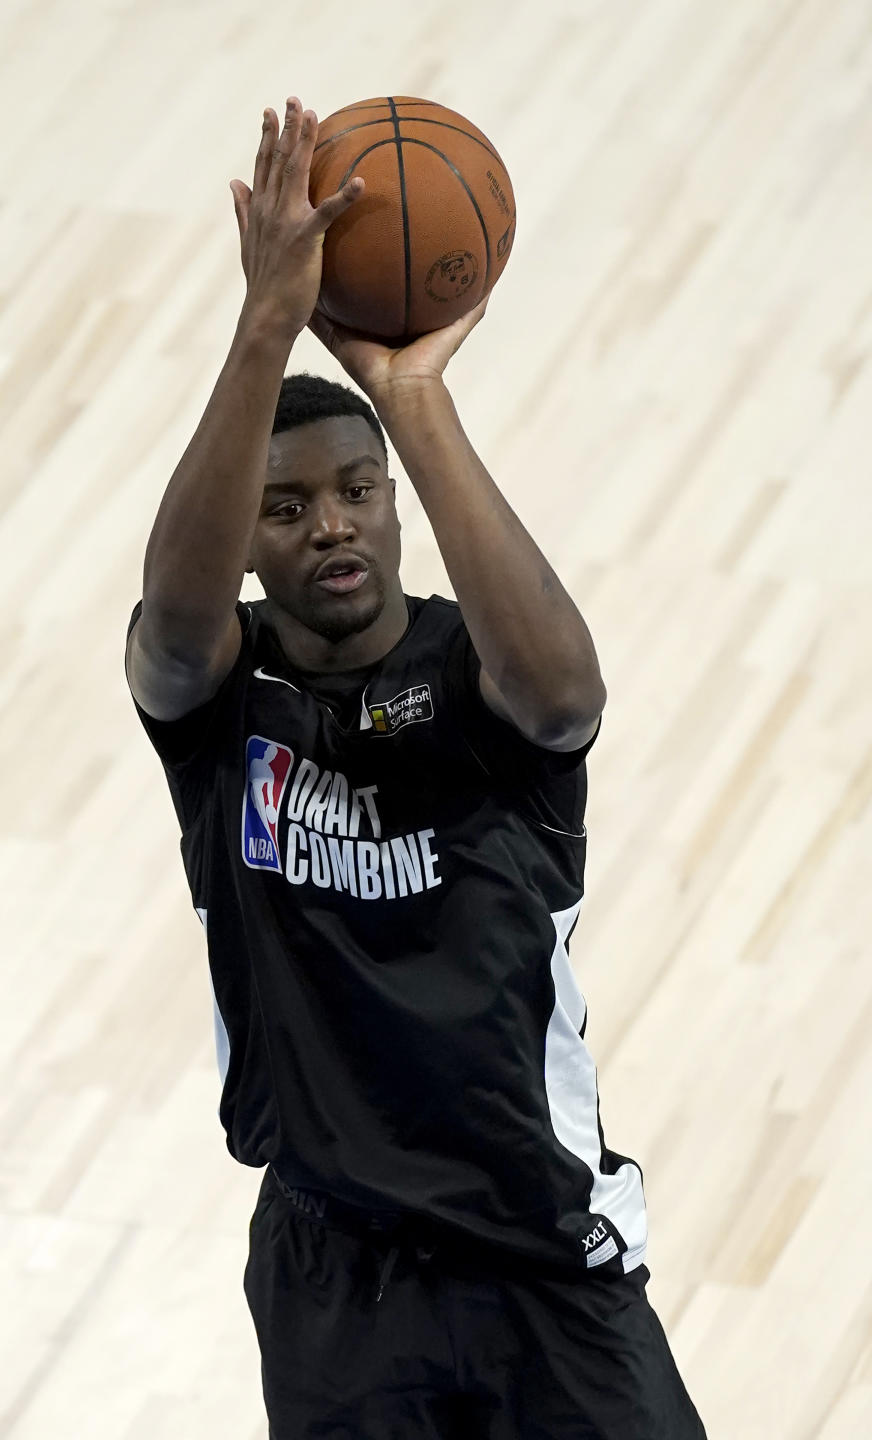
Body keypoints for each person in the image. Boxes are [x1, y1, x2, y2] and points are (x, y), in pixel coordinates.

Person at [125, 96, 706, 1440]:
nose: (328, 520)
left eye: (354, 490)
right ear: (255, 546)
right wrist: (267, 322)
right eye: (285, 506)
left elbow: (566, 696)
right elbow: (171, 627)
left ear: (392, 504)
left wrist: (409, 389)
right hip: (338, 1268)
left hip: (539, 1245)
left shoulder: (479, 670)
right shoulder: (222, 702)